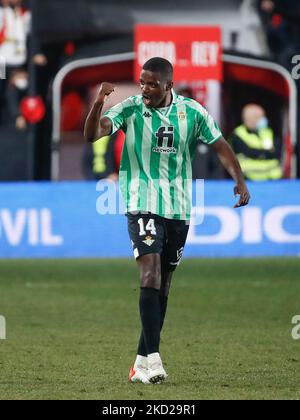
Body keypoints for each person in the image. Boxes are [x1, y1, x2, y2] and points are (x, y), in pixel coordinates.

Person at [84, 57, 250, 384]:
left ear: (168, 85)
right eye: (142, 82)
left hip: (179, 205)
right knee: (149, 272)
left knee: (164, 284)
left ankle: (140, 362)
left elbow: (219, 144)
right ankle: (156, 360)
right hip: (140, 199)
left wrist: (240, 179)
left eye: (152, 84)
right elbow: (93, 135)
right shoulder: (130, 109)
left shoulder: (193, 112)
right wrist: (99, 103)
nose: (144, 89)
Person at [231, 104, 282, 180]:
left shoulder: (268, 132)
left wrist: (261, 154)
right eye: (260, 117)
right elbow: (248, 152)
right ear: (249, 119)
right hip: (248, 179)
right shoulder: (238, 134)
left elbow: (276, 152)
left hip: (273, 179)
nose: (263, 120)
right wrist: (266, 153)